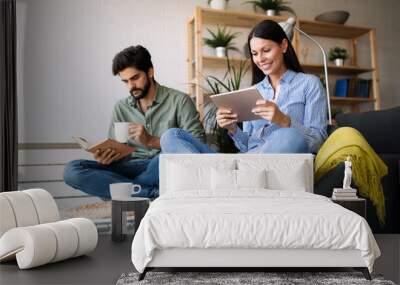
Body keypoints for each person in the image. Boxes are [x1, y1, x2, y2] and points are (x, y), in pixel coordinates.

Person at [160, 20, 327, 154]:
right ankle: (236, 176)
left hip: (279, 163)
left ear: (283, 45)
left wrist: (284, 120)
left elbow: (318, 142)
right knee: (171, 136)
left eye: (266, 50)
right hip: (248, 160)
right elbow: (247, 145)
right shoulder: (255, 91)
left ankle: (232, 179)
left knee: (289, 136)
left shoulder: (309, 84)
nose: (260, 59)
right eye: (254, 53)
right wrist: (232, 128)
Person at [63, 45, 205, 199]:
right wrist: (107, 157)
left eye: (135, 78)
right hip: (129, 166)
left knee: (165, 160)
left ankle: (124, 190)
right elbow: (116, 148)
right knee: (72, 171)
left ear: (150, 72)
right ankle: (149, 192)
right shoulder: (121, 107)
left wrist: (151, 140)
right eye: (125, 81)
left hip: (160, 164)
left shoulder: (180, 101)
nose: (131, 86)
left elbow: (197, 145)